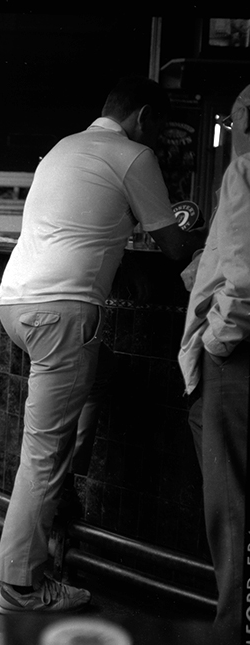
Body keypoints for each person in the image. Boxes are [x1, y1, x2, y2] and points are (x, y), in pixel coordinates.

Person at [0, 76, 205, 615]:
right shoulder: (133, 155)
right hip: (62, 311)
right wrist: (204, 232)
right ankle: (19, 586)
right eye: (158, 126)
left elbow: (84, 223)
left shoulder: (63, 148)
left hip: (15, 304)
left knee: (99, 377)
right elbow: (174, 244)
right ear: (144, 117)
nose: (157, 139)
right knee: (43, 454)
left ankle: (60, 498)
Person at [178, 85, 250, 645]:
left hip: (239, 357)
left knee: (229, 503)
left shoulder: (244, 172)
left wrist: (218, 339)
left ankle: (233, 631)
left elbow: (245, 283)